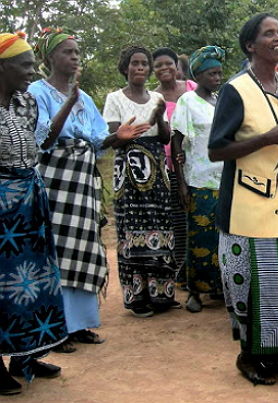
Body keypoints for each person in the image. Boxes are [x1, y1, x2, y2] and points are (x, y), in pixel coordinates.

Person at [208, 13, 278, 385]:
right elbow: (216, 150)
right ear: (250, 46)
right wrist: (266, 138)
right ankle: (249, 357)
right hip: (247, 205)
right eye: (268, 33)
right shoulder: (236, 89)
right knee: (250, 285)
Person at [28, 28, 108, 353]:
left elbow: (99, 138)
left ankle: (79, 324)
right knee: (57, 251)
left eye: (77, 52)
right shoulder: (37, 91)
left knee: (84, 249)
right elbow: (42, 139)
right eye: (67, 52)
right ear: (49, 58)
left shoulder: (84, 97)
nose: (74, 58)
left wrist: (122, 136)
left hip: (83, 184)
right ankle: (57, 328)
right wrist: (69, 103)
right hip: (55, 184)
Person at [0, 31, 68, 396]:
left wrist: (68, 106)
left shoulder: (26, 103)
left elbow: (40, 143)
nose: (31, 71)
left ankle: (27, 355)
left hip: (30, 203)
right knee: (4, 286)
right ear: (3, 66)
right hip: (2, 208)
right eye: (24, 65)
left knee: (37, 281)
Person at [103, 46, 176, 317]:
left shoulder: (157, 98)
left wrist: (158, 116)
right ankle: (138, 298)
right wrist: (126, 135)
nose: (140, 68)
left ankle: (162, 295)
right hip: (129, 174)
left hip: (157, 171)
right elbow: (110, 138)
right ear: (125, 67)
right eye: (135, 63)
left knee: (160, 227)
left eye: (144, 63)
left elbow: (165, 138)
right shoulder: (114, 99)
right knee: (132, 232)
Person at [170, 46, 225, 313]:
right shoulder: (187, 102)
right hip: (198, 179)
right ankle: (194, 291)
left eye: (219, 73)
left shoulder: (220, 102)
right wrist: (181, 183)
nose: (217, 78)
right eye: (212, 73)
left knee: (222, 238)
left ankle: (217, 287)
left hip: (223, 179)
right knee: (199, 237)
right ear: (199, 74)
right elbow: (176, 140)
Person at [153, 47, 196, 282]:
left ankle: (199, 269)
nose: (164, 68)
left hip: (197, 164)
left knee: (198, 217)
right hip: (168, 167)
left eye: (168, 63)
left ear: (176, 66)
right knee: (177, 220)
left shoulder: (192, 88)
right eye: (158, 65)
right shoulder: (153, 97)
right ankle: (181, 272)